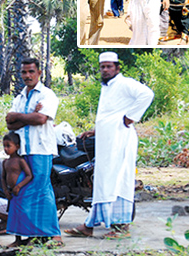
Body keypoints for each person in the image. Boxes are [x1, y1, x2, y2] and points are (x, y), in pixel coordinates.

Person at [64, 52, 153, 239]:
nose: (105, 70)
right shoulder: (107, 87)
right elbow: (110, 113)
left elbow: (147, 94)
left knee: (119, 182)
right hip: (106, 143)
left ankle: (121, 228)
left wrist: (130, 117)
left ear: (117, 68)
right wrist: (96, 131)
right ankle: (89, 225)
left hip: (121, 142)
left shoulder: (124, 83)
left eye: (109, 66)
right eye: (102, 67)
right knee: (104, 183)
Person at [5, 57, 62, 247]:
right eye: (24, 72)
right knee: (22, 192)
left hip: (41, 150)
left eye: (31, 71)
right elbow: (9, 123)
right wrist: (30, 115)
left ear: (39, 72)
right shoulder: (20, 97)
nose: (27, 75)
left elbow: (40, 119)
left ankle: (54, 235)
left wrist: (19, 116)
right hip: (22, 151)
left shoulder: (47, 95)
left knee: (42, 190)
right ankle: (29, 236)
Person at [1, 132, 34, 248]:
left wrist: (19, 186)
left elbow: (29, 175)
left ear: (17, 146)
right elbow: (3, 177)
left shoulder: (20, 161)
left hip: (21, 193)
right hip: (12, 194)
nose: (6, 149)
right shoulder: (5, 162)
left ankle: (30, 238)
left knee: (25, 215)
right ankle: (18, 239)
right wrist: (5, 190)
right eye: (4, 146)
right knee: (14, 216)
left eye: (8, 146)